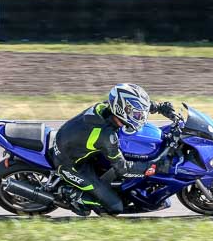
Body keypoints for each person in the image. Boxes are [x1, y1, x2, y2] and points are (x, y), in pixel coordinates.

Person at [51, 83, 177, 216]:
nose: (140, 117)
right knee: (115, 207)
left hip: (72, 143)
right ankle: (73, 195)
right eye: (137, 114)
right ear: (122, 110)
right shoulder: (106, 137)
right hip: (69, 165)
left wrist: (159, 107)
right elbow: (123, 169)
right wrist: (155, 167)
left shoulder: (108, 108)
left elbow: (137, 106)